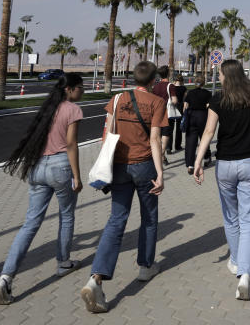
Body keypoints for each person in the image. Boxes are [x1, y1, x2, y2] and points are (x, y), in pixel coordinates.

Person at [193, 60, 250, 300]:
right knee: (249, 219)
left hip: (225, 165)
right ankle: (245, 275)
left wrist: (198, 161)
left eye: (221, 74)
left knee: (231, 216)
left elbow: (208, 132)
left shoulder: (218, 99)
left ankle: (236, 261)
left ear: (225, 76)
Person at [81, 61, 167, 314]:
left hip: (118, 167)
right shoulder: (156, 102)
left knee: (116, 220)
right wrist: (160, 173)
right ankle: (145, 266)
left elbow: (106, 133)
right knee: (149, 218)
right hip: (144, 166)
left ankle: (96, 277)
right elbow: (154, 139)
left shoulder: (117, 99)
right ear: (153, 81)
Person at [0, 73, 85, 305]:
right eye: (80, 87)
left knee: (30, 223)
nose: (82, 91)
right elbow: (72, 144)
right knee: (66, 216)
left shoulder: (47, 109)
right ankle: (63, 262)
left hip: (37, 167)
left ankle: (5, 277)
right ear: (70, 90)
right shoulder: (73, 110)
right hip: (61, 167)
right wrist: (77, 175)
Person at [183, 75, 212, 175]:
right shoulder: (207, 93)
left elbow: (185, 106)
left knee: (191, 141)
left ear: (195, 83)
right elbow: (209, 106)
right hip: (203, 116)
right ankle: (207, 157)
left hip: (191, 117)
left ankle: (190, 165)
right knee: (204, 139)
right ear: (203, 83)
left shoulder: (190, 93)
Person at [150, 65, 179, 164]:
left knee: (158, 135)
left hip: (156, 113)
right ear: (168, 73)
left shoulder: (155, 87)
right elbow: (174, 100)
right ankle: (161, 154)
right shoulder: (170, 86)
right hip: (167, 113)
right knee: (166, 134)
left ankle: (162, 157)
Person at [169, 75, 186, 153]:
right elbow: (185, 99)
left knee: (170, 128)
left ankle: (169, 147)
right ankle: (177, 146)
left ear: (174, 80)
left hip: (172, 107)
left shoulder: (171, 88)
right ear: (182, 81)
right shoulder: (184, 88)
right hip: (180, 107)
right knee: (179, 128)